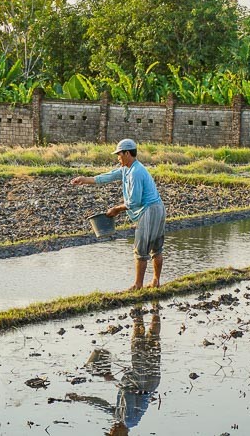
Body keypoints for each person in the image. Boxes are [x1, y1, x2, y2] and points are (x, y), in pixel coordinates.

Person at [71, 139, 166, 290]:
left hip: (150, 210)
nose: (117, 157)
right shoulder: (126, 169)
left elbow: (133, 202)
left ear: (127, 153)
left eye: (119, 154)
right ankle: (155, 281)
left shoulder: (136, 172)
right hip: (157, 208)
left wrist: (115, 210)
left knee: (142, 250)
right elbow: (106, 177)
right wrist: (85, 180)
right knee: (156, 248)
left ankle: (138, 285)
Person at [67, 305, 162, 434]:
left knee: (152, 342)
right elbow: (130, 393)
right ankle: (141, 312)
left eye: (110, 432)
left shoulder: (120, 418)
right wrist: (112, 379)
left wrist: (81, 398)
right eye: (113, 434)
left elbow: (101, 404)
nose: (111, 430)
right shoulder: (128, 420)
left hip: (146, 378)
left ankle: (153, 309)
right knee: (140, 343)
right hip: (145, 378)